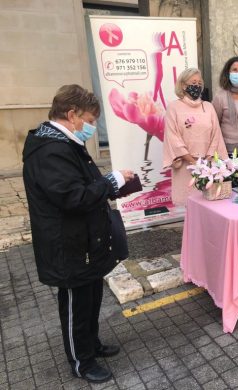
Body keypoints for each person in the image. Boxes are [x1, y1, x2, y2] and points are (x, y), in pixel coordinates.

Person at [22, 84, 134, 383]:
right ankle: (81, 362)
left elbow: (83, 188)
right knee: (75, 303)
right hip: (68, 246)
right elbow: (73, 197)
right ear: (72, 115)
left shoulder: (67, 143)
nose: (93, 126)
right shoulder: (50, 150)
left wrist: (112, 183)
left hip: (85, 241)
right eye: (90, 119)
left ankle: (91, 344)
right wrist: (111, 181)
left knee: (92, 297)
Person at [163, 68, 227, 206]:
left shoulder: (208, 107)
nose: (197, 85)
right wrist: (193, 162)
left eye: (199, 82)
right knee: (189, 205)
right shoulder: (173, 107)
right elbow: (173, 138)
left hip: (208, 165)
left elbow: (216, 134)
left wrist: (207, 159)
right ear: (183, 85)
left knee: (209, 205)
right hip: (185, 166)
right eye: (193, 82)